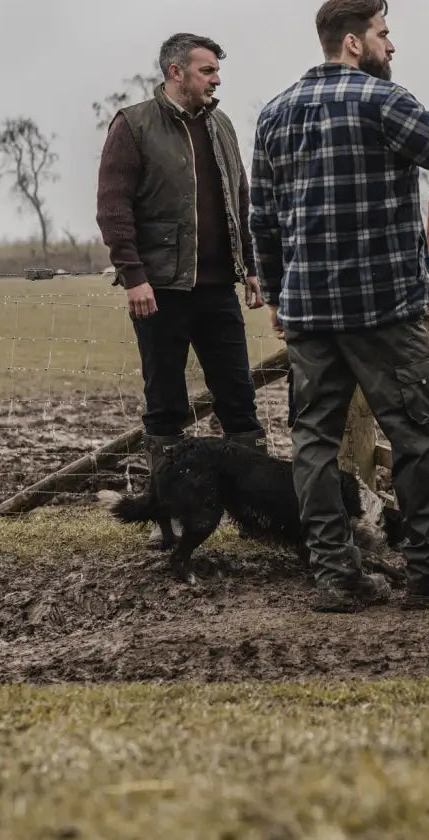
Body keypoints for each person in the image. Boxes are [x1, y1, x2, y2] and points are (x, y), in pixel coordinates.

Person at [250, 0, 429, 612]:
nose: (392, 45)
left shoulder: (275, 115)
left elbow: (264, 220)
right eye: (384, 34)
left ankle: (336, 575)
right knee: (418, 431)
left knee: (313, 439)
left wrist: (278, 294)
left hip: (309, 311)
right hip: (381, 307)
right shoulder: (383, 102)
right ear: (353, 43)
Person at [97, 33, 267, 542]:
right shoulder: (133, 125)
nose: (217, 80)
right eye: (207, 71)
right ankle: (167, 515)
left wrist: (252, 266)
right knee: (166, 404)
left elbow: (242, 199)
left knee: (239, 399)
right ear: (176, 72)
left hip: (218, 290)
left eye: (217, 71)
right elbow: (113, 207)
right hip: (161, 290)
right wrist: (134, 276)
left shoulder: (221, 126)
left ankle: (250, 511)